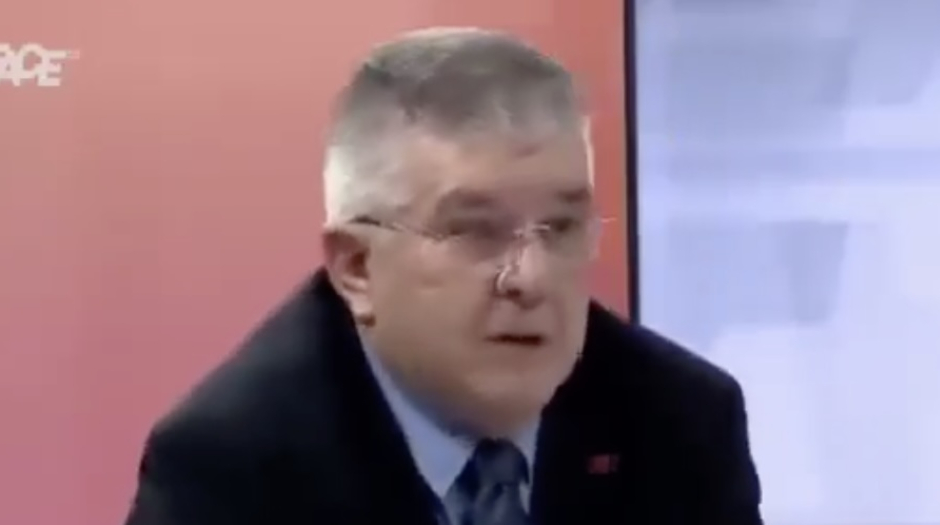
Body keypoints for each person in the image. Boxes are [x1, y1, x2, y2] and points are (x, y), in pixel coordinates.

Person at [123, 27, 762, 525]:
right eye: (476, 231)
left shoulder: (681, 420)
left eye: (562, 227)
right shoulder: (231, 464)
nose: (531, 278)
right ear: (357, 267)